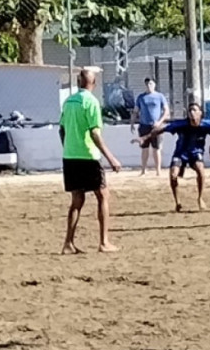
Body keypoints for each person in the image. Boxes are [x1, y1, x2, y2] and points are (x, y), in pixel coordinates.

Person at [61, 68, 122, 254]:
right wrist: (111, 157)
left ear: (79, 82)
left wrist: (68, 146)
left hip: (70, 156)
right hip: (89, 156)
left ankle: (68, 243)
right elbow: (95, 133)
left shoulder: (68, 101)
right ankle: (104, 242)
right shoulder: (91, 102)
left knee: (76, 200)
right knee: (103, 196)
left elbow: (61, 129)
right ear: (93, 84)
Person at [139, 102, 210, 212]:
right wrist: (145, 137)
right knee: (173, 175)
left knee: (201, 170)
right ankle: (178, 202)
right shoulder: (181, 124)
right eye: (190, 110)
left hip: (196, 153)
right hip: (180, 153)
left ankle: (200, 198)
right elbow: (162, 129)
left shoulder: (206, 125)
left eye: (194, 110)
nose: (192, 113)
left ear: (200, 113)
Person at [131, 77, 170, 176]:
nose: (149, 86)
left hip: (156, 127)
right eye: (147, 84)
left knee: (156, 148)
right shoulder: (141, 97)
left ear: (155, 84)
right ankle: (143, 170)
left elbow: (166, 111)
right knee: (144, 148)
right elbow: (135, 111)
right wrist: (132, 123)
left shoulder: (160, 96)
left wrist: (159, 122)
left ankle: (158, 170)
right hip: (144, 126)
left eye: (151, 84)